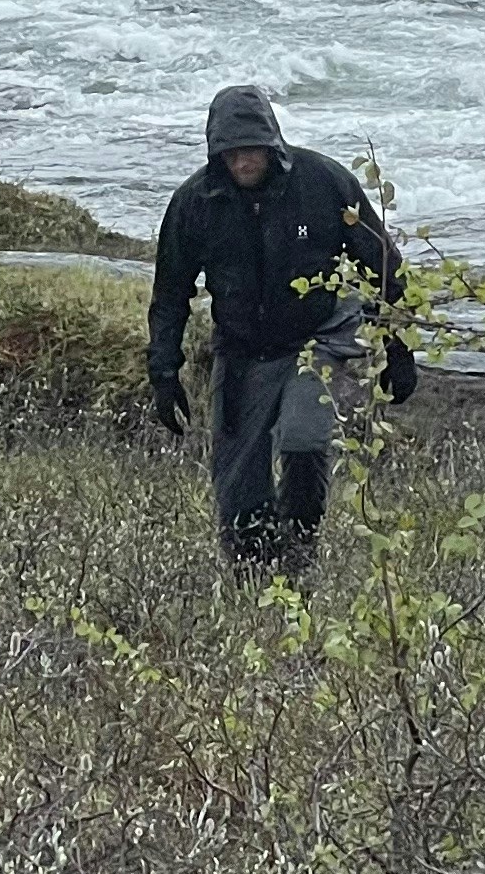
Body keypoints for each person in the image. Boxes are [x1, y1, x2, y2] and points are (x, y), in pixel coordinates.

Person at [144, 85, 416, 574]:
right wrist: (164, 372)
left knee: (303, 438)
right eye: (232, 152)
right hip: (243, 350)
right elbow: (170, 294)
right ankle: (255, 580)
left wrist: (399, 349)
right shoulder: (194, 203)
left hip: (317, 339)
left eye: (253, 149)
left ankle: (301, 550)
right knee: (240, 493)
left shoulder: (325, 183)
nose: (244, 161)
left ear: (274, 145)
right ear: (216, 151)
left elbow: (383, 266)